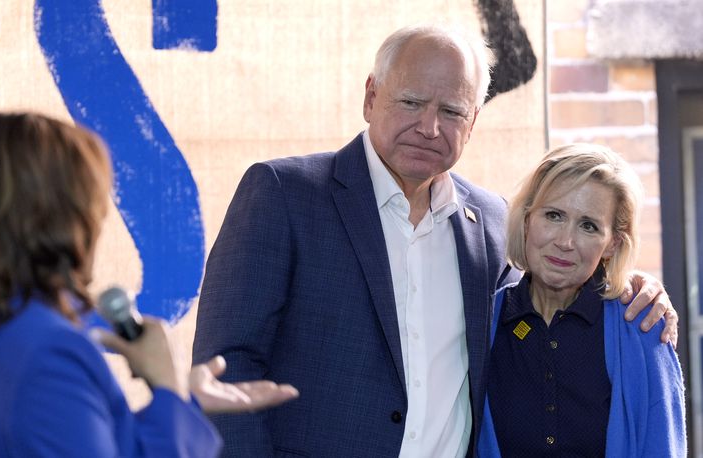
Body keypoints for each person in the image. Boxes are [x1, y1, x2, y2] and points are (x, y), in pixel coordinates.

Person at [192, 23, 678, 457]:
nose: (429, 127)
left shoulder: (488, 223)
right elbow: (225, 366)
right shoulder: (284, 194)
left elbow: (553, 282)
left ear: (473, 123)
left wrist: (633, 283)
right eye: (411, 102)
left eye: (451, 110)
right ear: (370, 96)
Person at [0, 112, 298, 457]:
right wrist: (167, 388)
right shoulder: (48, 352)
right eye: (93, 205)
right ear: (59, 220)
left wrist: (180, 401)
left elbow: (68, 441)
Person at [477, 144, 686, 456]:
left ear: (612, 244)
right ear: (526, 221)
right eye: (553, 215)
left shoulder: (644, 327)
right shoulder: (483, 322)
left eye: (588, 226)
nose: (565, 242)